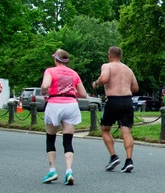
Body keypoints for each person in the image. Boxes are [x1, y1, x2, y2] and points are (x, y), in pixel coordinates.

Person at [41, 49, 88, 185]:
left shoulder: (50, 71)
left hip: (54, 104)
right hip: (71, 105)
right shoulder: (74, 73)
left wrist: (45, 90)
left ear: (56, 59)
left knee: (51, 138)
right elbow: (83, 93)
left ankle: (52, 170)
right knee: (68, 141)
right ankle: (69, 171)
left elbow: (45, 85)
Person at [92, 46, 140, 173]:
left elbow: (104, 78)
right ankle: (129, 160)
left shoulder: (107, 66)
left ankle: (113, 156)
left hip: (113, 100)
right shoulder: (128, 69)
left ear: (109, 55)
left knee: (105, 128)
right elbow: (135, 87)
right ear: (121, 56)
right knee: (126, 131)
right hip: (127, 101)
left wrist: (96, 83)